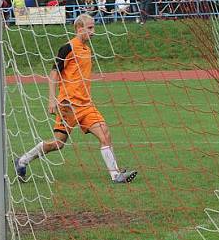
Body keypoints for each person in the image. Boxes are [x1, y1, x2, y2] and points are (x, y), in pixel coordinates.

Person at [14, 14, 137, 185]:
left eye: (94, 27)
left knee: (105, 134)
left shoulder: (87, 49)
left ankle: (115, 175)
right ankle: (22, 160)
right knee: (58, 144)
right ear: (80, 29)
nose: (94, 32)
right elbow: (53, 74)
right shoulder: (68, 48)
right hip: (68, 105)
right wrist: (51, 100)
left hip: (86, 104)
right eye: (90, 28)